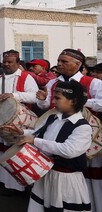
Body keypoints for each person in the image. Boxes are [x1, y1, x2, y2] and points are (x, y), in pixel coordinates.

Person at [6, 80, 92, 211]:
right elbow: (38, 134)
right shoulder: (52, 118)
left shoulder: (83, 127)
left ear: (73, 101)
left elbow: (68, 150)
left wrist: (35, 141)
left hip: (65, 180)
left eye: (57, 98)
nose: (53, 101)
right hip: (46, 174)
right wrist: (22, 132)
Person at [36, 49, 102, 210]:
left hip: (87, 135)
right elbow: (47, 107)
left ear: (78, 64)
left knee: (89, 174)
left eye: (64, 61)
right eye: (58, 60)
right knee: (63, 171)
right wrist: (43, 101)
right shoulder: (52, 83)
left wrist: (79, 102)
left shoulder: (93, 82)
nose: (59, 64)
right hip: (58, 132)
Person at [0, 50, 38, 194]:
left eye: (10, 62)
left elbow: (34, 96)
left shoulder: (26, 77)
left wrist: (14, 95)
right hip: (0, 121)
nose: (6, 64)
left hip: (19, 123)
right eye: (5, 62)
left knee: (13, 153)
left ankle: (15, 186)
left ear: (18, 63)